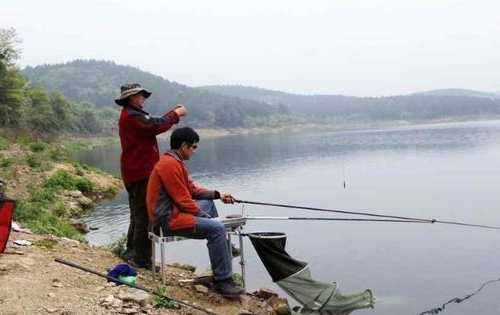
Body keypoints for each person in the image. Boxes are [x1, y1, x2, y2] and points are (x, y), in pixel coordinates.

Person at [146, 127, 244, 297]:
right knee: (218, 229)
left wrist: (218, 195)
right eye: (194, 147)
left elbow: (192, 190)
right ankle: (223, 281)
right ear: (184, 146)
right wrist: (209, 220)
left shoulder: (175, 162)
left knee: (208, 203)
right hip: (167, 220)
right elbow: (183, 201)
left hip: (175, 212)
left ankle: (224, 248)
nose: (194, 151)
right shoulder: (169, 165)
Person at [116, 83, 187, 268]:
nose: (143, 99)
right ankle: (141, 260)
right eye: (141, 96)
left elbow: (154, 123)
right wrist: (176, 114)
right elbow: (156, 125)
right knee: (145, 215)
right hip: (140, 173)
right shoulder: (132, 116)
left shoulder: (132, 115)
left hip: (134, 172)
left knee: (137, 214)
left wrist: (172, 115)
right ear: (132, 97)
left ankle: (131, 251)